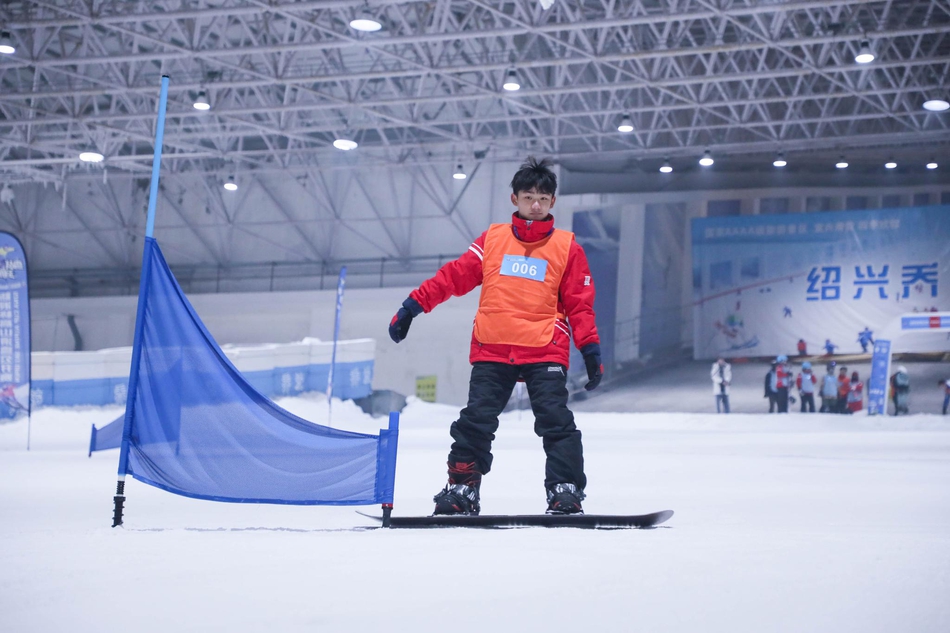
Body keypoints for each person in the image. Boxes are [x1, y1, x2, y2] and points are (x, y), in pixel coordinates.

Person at [388, 157, 602, 516]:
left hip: (544, 348)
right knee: (476, 420)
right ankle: (462, 490)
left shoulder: (568, 248)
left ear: (553, 203)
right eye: (529, 196)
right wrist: (413, 305)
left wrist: (590, 349)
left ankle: (565, 491)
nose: (536, 205)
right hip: (494, 346)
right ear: (514, 198)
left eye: (544, 198)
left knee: (556, 421)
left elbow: (580, 305)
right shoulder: (493, 241)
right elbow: (453, 276)